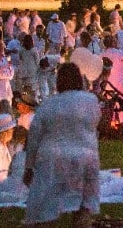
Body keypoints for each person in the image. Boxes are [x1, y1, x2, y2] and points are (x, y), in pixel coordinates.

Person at [24, 61, 101, 227]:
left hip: (54, 157)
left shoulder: (48, 104)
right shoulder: (91, 101)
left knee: (46, 203)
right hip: (86, 155)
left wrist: (29, 166)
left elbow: (34, 136)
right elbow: (94, 124)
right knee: (83, 206)